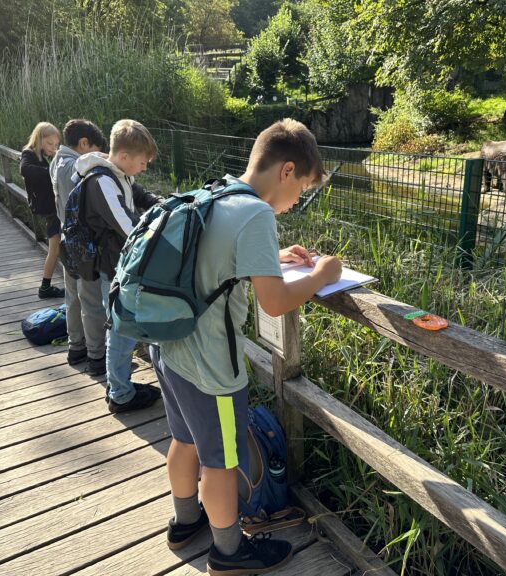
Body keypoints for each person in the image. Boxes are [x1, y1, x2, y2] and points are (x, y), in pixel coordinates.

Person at [150, 119, 342, 575]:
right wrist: (321, 276)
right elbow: (273, 303)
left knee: (182, 440)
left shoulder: (218, 191)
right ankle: (229, 552)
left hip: (169, 347)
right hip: (209, 364)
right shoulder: (256, 213)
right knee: (220, 461)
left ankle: (185, 522)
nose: (296, 204)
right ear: (287, 170)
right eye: (302, 191)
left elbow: (214, 257)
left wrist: (273, 259)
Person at [73, 119, 162, 410]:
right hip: (113, 270)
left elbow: (136, 193)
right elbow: (129, 227)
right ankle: (121, 394)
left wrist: (160, 203)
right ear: (124, 157)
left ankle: (119, 385)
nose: (144, 167)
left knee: (122, 329)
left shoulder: (117, 174)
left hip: (116, 266)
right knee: (121, 331)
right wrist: (162, 231)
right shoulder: (101, 182)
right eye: (142, 162)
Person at [49, 119, 108, 371]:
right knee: (91, 300)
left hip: (66, 240)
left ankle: (76, 347)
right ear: (83, 143)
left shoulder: (56, 161)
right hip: (84, 246)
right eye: (94, 148)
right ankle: (96, 356)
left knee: (72, 297)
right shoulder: (74, 167)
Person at [19, 121, 64, 299]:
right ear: (39, 139)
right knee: (55, 248)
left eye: (56, 145)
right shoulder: (29, 154)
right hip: (49, 209)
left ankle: (46, 286)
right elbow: (25, 170)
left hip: (50, 207)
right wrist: (53, 171)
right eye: (49, 144)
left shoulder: (42, 157)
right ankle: (45, 287)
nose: (53, 147)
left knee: (56, 247)